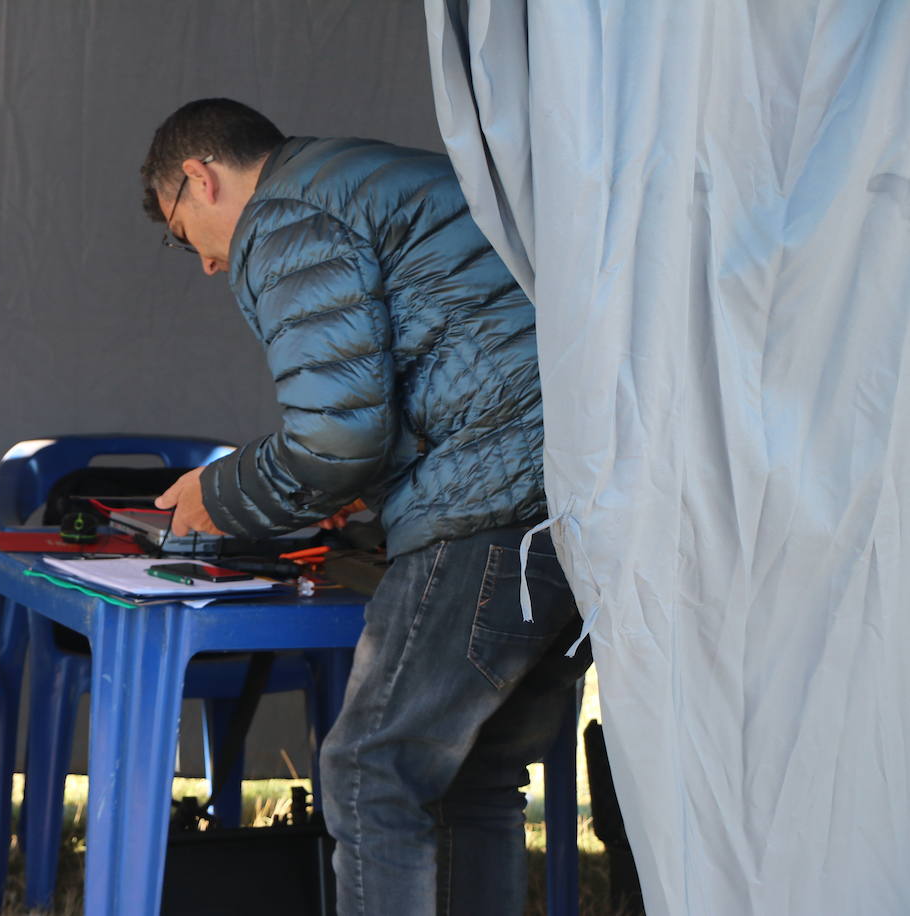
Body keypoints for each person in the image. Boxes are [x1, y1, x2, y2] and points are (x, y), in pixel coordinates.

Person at [141, 98, 592, 916]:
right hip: (577, 492)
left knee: (368, 771)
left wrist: (221, 493)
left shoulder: (285, 216)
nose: (203, 264)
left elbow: (338, 443)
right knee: (467, 775)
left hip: (490, 497)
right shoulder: (365, 173)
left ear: (198, 180)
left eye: (178, 238)